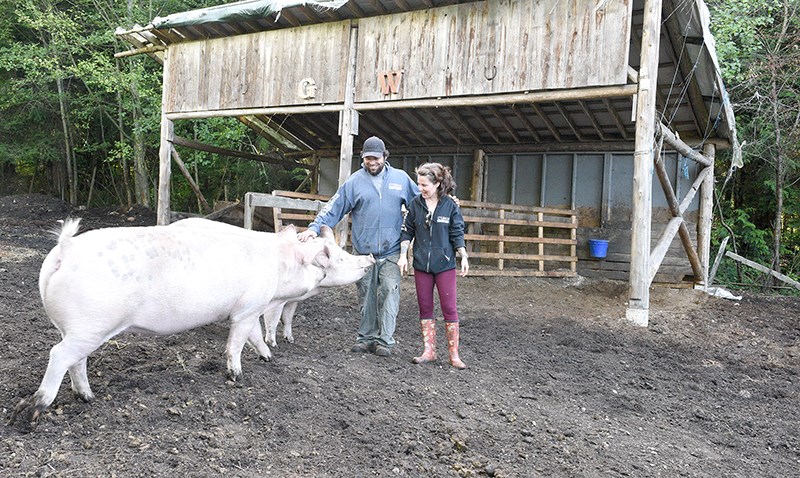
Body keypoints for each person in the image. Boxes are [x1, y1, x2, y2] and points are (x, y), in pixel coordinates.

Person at [298, 136, 418, 357]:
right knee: (366, 294)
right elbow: (334, 207)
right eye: (366, 158)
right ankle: (366, 337)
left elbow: (421, 202)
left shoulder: (400, 179)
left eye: (375, 158)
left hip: (391, 250)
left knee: (389, 293)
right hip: (363, 251)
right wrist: (314, 228)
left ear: (384, 157)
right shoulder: (354, 182)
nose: (371, 162)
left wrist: (445, 203)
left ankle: (385, 340)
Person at [397, 163, 469, 369]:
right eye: (419, 184)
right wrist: (403, 255)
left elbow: (457, 232)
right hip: (422, 265)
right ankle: (429, 351)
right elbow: (406, 231)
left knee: (449, 308)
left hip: (445, 265)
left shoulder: (450, 205)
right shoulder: (414, 204)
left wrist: (463, 255)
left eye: (425, 185)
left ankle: (453, 354)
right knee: (425, 307)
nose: (421, 189)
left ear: (437, 183)